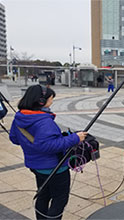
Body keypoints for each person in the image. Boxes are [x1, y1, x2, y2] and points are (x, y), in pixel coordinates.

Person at [9, 85, 88, 219]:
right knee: (59, 199)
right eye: (50, 99)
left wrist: (32, 143)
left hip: (36, 167)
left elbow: (15, 139)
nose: (51, 102)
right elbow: (48, 146)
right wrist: (75, 138)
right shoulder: (44, 121)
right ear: (41, 101)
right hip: (55, 168)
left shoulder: (20, 116)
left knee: (43, 194)